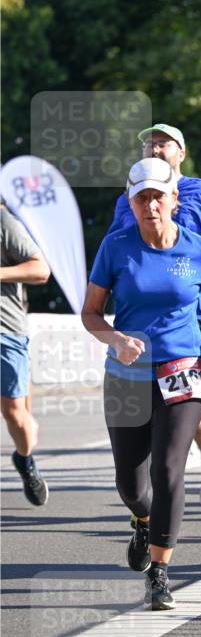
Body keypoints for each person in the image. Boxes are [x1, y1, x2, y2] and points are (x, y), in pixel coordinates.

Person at [83, 158, 201, 610]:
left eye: (158, 196)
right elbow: (90, 313)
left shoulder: (198, 248)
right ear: (131, 203)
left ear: (174, 200)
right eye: (141, 198)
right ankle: (143, 520)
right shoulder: (116, 246)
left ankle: (161, 574)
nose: (150, 205)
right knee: (131, 483)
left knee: (168, 469)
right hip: (128, 375)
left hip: (182, 369)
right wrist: (115, 339)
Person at [107, 123, 201, 514]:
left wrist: (193, 260)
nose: (154, 147)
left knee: (192, 404)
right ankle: (157, 489)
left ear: (181, 152)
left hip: (198, 314)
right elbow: (120, 251)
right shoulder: (128, 200)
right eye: (148, 143)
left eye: (162, 142)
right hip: (142, 323)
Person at [1, 204, 51, 505]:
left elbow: (40, 269)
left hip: (5, 330)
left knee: (16, 416)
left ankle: (25, 459)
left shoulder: (4, 221)